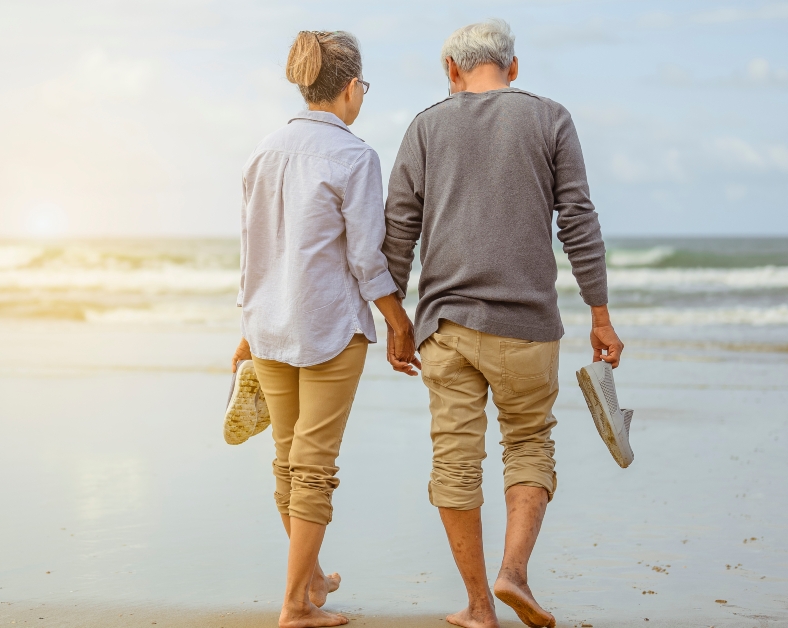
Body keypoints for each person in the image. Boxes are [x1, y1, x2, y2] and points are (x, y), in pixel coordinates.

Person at [382, 19, 624, 628]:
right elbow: (578, 221)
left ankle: (478, 607)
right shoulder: (550, 118)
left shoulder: (426, 126)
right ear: (513, 69)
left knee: (455, 462)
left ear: (452, 72)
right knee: (529, 443)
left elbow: (397, 235)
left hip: (447, 326)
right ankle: (513, 572)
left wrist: (394, 319)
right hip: (528, 328)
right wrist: (599, 313)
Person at [231, 30, 419, 628]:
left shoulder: (262, 151)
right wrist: (396, 320)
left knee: (288, 462)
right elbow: (367, 258)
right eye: (363, 85)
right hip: (329, 328)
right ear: (350, 87)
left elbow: (251, 251)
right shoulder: (355, 156)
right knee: (313, 466)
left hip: (268, 327)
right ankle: (293, 607)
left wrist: (245, 326)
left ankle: (308, 581)